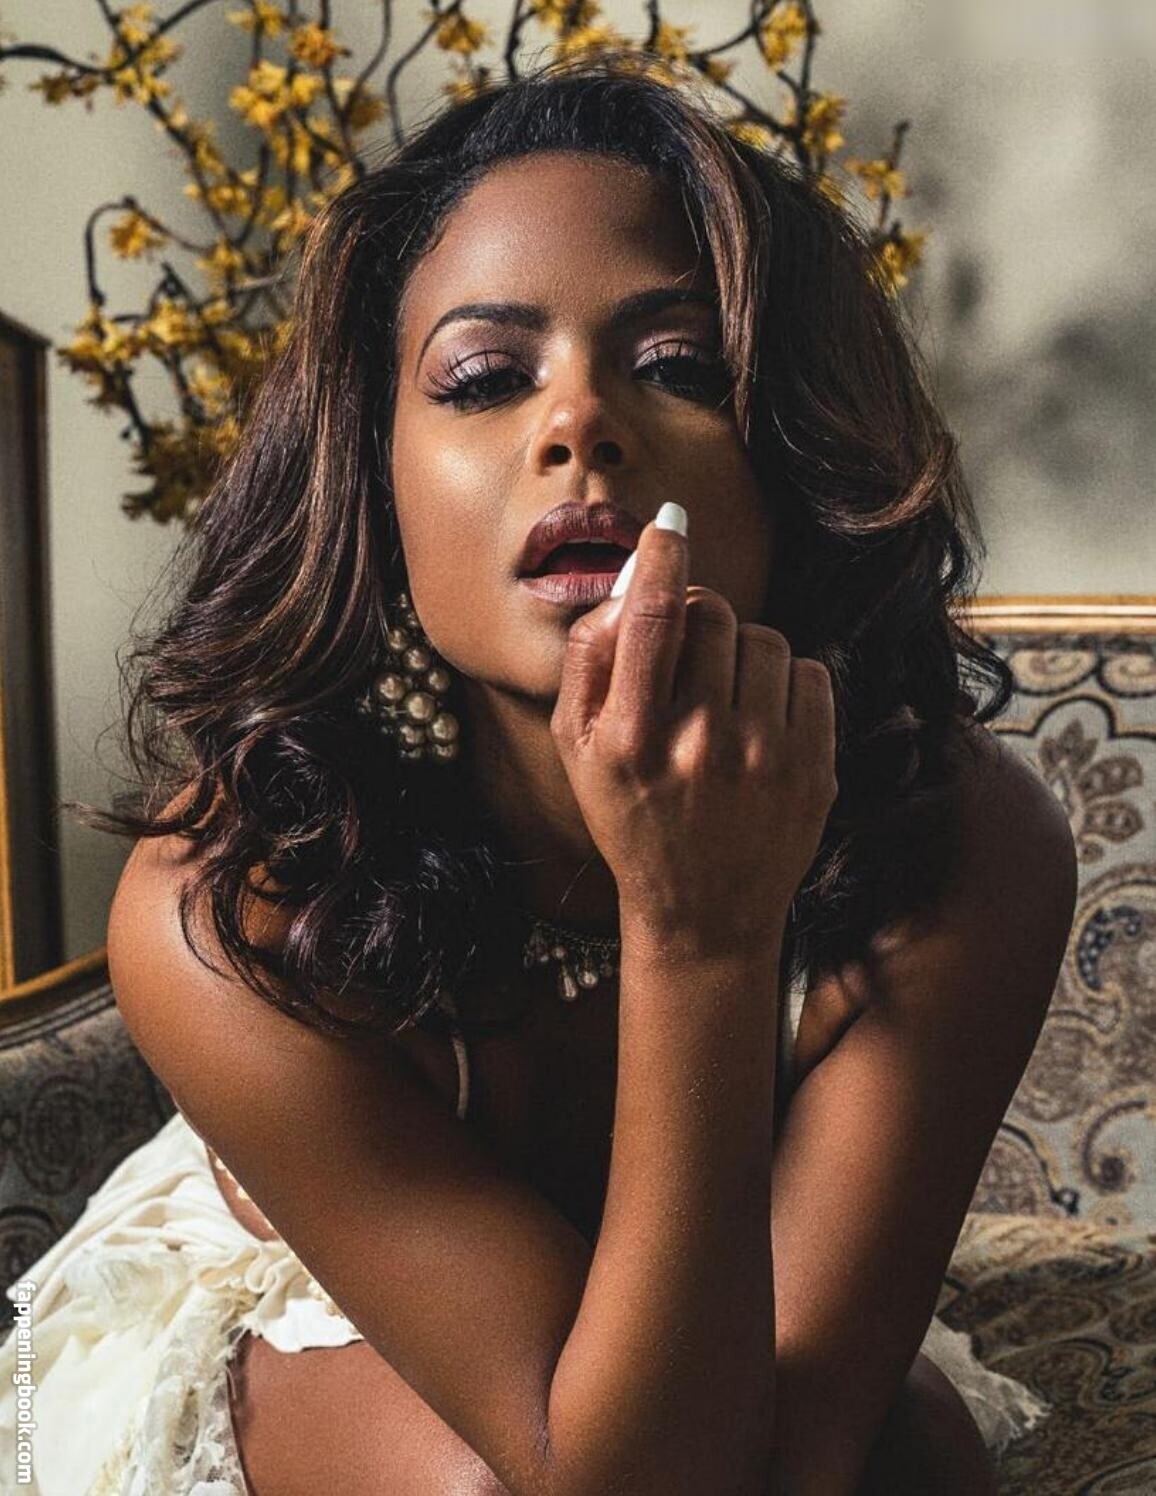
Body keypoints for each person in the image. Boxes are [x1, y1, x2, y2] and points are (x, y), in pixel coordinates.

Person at [0, 51, 1076, 1495]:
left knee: (914, 1460)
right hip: (317, 1301)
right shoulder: (233, 900)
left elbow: (780, 1459)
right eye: (486, 379)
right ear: (376, 481)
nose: (580, 427)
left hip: (704, 1314)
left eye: (680, 367)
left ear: (798, 458)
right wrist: (698, 933)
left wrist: (719, 911)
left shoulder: (967, 840)